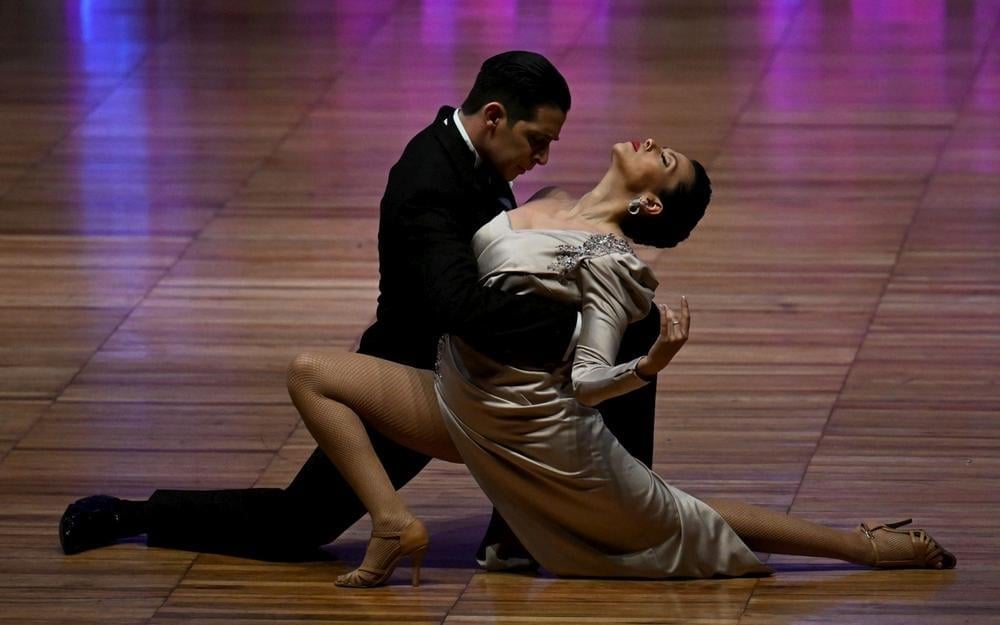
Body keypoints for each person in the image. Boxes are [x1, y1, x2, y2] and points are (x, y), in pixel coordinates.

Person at [59, 51, 662, 568]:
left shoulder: (477, 160)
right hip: (409, 373)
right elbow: (460, 306)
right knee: (299, 527)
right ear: (495, 117)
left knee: (637, 327)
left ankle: (593, 520)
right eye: (538, 142)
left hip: (470, 364)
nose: (543, 159)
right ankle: (128, 514)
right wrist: (580, 327)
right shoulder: (430, 180)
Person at [286, 137, 957, 587]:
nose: (650, 143)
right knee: (312, 370)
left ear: (651, 202)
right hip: (460, 397)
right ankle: (393, 520)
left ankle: (860, 546)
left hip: (534, 427)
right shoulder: (541, 201)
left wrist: (649, 363)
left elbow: (587, 377)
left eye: (663, 159)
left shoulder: (609, 261)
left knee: (680, 518)